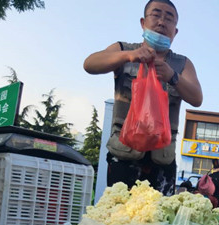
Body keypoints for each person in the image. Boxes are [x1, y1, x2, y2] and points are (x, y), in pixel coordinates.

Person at [84, 0, 202, 195]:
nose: (162, 22)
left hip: (162, 159)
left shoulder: (182, 64)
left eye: (169, 18)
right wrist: (129, 56)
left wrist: (173, 76)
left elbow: (197, 98)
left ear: (176, 31)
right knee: (119, 219)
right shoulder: (123, 48)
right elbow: (90, 64)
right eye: (156, 15)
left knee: (158, 220)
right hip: (123, 155)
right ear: (143, 22)